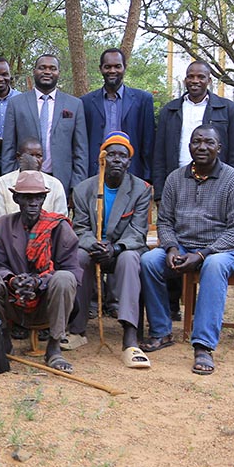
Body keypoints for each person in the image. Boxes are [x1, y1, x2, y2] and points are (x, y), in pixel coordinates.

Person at [139, 126, 234, 375]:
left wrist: (203, 254)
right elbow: (165, 221)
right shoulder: (175, 178)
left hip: (227, 249)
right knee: (148, 260)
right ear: (188, 146)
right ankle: (161, 331)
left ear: (218, 148)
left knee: (214, 266)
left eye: (208, 142)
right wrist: (169, 248)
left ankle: (203, 345)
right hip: (183, 245)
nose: (202, 147)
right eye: (196, 142)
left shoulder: (233, 180)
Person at [0, 171, 81, 373]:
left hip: (47, 299)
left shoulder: (59, 227)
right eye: (27, 197)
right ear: (16, 198)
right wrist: (14, 281)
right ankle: (2, 337)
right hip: (13, 299)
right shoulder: (1, 225)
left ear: (44, 198)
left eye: (37, 197)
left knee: (65, 278)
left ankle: (54, 346)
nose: (33, 203)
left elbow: (72, 270)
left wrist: (39, 282)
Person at [71, 132, 152, 364]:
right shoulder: (84, 189)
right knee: (78, 257)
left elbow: (138, 232)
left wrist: (115, 248)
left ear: (129, 161)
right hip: (94, 247)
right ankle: (77, 330)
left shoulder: (141, 189)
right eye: (111, 154)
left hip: (121, 249)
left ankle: (130, 338)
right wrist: (93, 244)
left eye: (122, 155)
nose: (116, 159)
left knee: (129, 260)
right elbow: (79, 228)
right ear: (102, 159)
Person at [152, 60, 234, 202]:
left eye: (200, 77)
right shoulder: (170, 110)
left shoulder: (227, 109)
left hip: (216, 184)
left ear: (209, 80)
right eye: (191, 76)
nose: (195, 81)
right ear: (185, 80)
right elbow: (159, 155)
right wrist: (159, 194)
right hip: (178, 183)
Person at [1, 55, 88, 198]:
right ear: (34, 71)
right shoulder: (16, 104)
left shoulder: (74, 105)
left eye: (52, 68)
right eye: (42, 68)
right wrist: (10, 181)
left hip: (61, 182)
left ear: (59, 72)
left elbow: (80, 151)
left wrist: (76, 186)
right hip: (23, 180)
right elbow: (9, 147)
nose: (47, 72)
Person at [80, 49, 155, 180]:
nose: (112, 71)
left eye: (117, 66)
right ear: (101, 69)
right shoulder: (86, 102)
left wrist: (148, 178)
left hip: (132, 175)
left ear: (125, 67)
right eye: (107, 67)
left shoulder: (143, 100)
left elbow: (148, 143)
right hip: (96, 174)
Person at [0, 138, 68, 217]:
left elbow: (60, 220)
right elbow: (0, 220)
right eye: (30, 156)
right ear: (18, 157)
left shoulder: (55, 185)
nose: (35, 160)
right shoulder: (2, 183)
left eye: (38, 156)